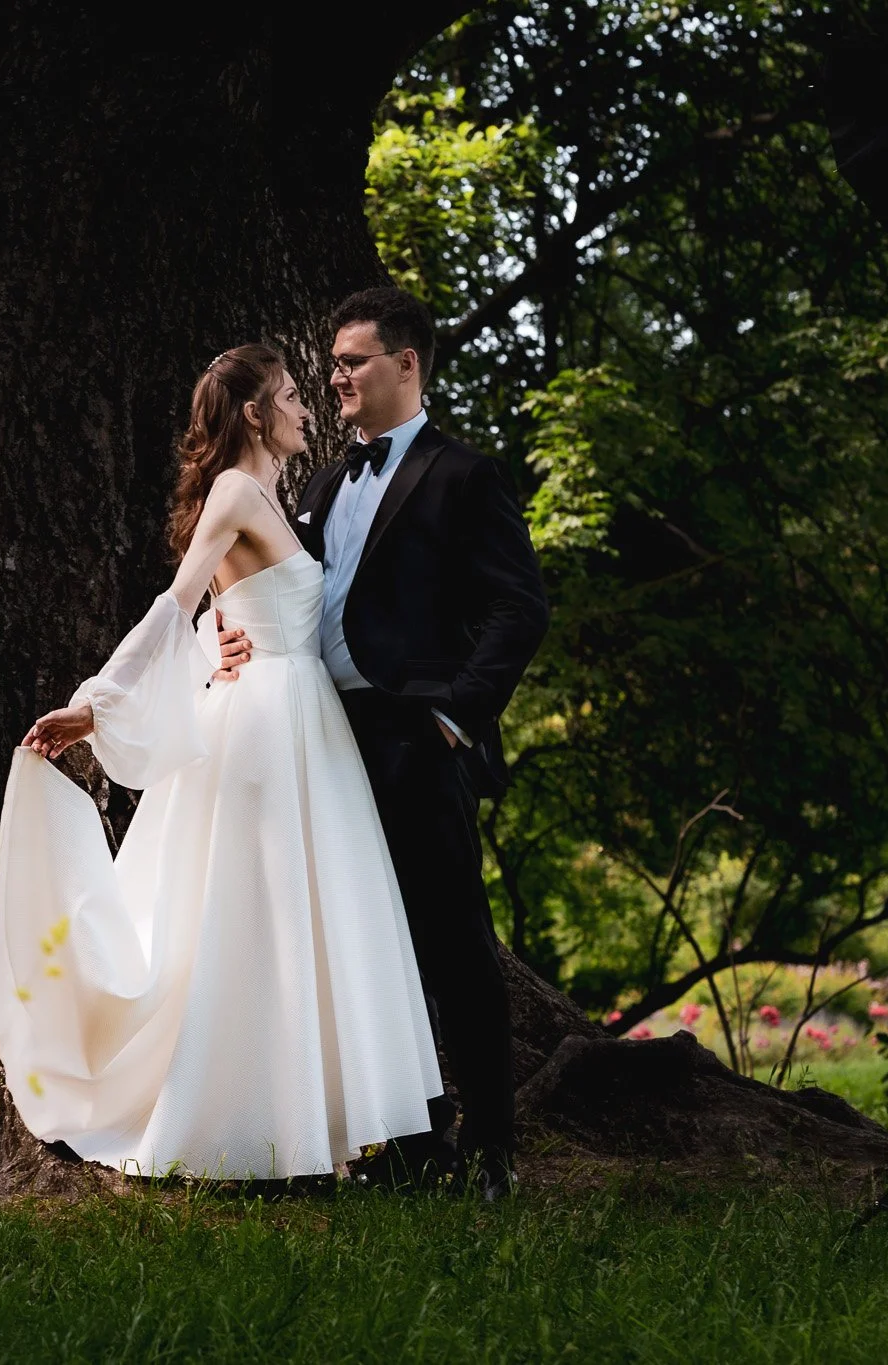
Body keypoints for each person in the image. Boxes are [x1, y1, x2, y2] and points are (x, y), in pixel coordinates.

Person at [0, 344, 445, 1184]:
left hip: (302, 717)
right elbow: (180, 600)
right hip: (271, 724)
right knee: (262, 918)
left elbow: (236, 609)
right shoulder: (238, 491)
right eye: (287, 396)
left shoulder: (274, 494)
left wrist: (215, 642)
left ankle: (309, 1125)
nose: (306, 408)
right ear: (253, 415)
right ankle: (258, 1127)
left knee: (300, 918)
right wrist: (97, 702)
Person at [215, 287, 549, 1198]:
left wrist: (454, 714)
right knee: (366, 946)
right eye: (329, 364)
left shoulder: (464, 476)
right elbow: (270, 585)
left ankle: (491, 1154)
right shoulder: (321, 484)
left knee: (453, 946)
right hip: (325, 742)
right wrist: (227, 632)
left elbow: (519, 608)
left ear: (408, 364)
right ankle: (407, 1145)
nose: (335, 377)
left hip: (418, 738)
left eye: (354, 360)